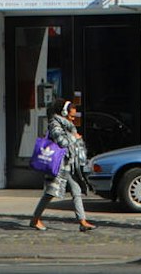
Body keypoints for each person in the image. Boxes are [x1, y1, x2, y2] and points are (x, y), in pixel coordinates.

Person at [29, 99, 96, 232]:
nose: (73, 119)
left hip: (68, 165)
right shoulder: (55, 124)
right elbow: (62, 141)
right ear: (63, 113)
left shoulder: (67, 125)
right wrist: (74, 138)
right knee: (49, 193)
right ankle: (35, 220)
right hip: (58, 165)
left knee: (76, 191)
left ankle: (82, 221)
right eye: (71, 116)